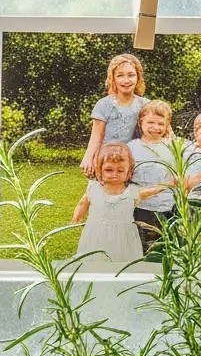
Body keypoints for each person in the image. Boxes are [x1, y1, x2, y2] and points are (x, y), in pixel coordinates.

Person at [69, 141, 144, 270]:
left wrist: (169, 185)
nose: (114, 174)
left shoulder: (131, 191)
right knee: (94, 261)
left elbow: (148, 192)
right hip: (96, 232)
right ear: (99, 169)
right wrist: (76, 217)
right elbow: (83, 203)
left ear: (128, 171)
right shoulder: (94, 187)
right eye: (109, 170)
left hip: (123, 235)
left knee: (123, 262)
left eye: (120, 170)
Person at [80, 50, 147, 180]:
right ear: (113, 79)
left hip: (132, 161)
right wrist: (88, 158)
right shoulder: (104, 104)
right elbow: (96, 137)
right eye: (120, 75)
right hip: (106, 159)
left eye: (131, 75)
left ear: (138, 77)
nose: (126, 80)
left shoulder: (144, 105)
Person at [126, 100, 180, 254]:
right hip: (141, 206)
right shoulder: (132, 147)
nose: (156, 128)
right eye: (151, 122)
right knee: (143, 244)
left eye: (161, 124)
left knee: (166, 246)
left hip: (167, 206)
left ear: (167, 125)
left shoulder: (172, 147)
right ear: (140, 123)